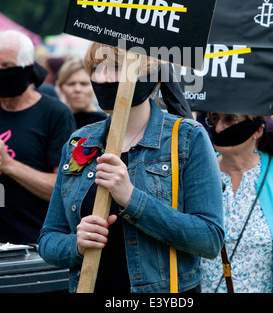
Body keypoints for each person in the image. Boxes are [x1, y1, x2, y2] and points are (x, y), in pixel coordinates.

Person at [39, 43, 224, 294]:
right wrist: (77, 245)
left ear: (147, 75)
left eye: (115, 67)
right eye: (96, 68)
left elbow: (209, 240)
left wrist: (131, 199)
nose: (102, 78)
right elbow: (49, 238)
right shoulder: (79, 142)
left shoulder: (187, 138)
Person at [200, 112, 273, 293]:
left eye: (230, 119)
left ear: (258, 130)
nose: (220, 127)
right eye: (214, 119)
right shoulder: (198, 171)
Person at [0, 30, 76, 244]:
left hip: (33, 246)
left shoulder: (54, 114)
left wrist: (9, 165)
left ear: (26, 67)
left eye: (6, 66)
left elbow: (63, 188)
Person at [57, 57, 106, 128]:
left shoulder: (106, 124)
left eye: (84, 84)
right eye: (71, 84)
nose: (77, 89)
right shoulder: (56, 122)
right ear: (61, 88)